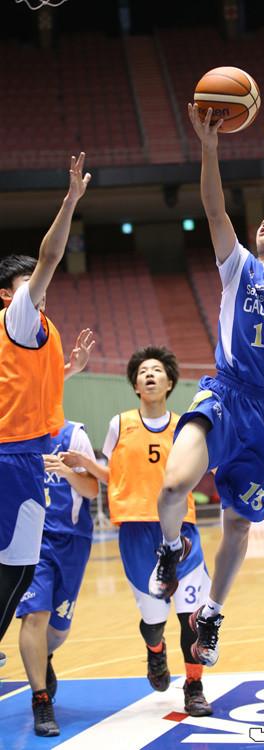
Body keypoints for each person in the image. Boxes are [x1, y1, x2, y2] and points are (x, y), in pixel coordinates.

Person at [149, 101, 264, 668]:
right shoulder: (237, 266)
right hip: (223, 393)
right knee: (173, 487)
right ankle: (170, 550)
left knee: (238, 527)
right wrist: (210, 147)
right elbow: (214, 208)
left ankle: (213, 615)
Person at [63, 346, 213, 717]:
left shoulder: (186, 427)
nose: (149, 375)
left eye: (156, 370)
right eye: (143, 371)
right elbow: (115, 476)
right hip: (136, 533)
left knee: (191, 616)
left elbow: (211, 468)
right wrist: (86, 464)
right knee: (154, 621)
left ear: (170, 382)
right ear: (134, 385)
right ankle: (155, 650)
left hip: (181, 530)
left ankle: (194, 686)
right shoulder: (120, 424)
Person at [0, 153, 91, 670]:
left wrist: (67, 372)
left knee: (16, 569)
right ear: (7, 295)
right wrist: (71, 201)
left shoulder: (34, 333)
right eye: (28, 281)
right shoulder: (19, 315)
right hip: (13, 456)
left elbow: (22, 391)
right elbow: (51, 255)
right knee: (16, 570)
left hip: (20, 453)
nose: (41, 284)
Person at [16, 420, 98, 737]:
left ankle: (44, 655)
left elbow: (92, 490)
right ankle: (41, 700)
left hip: (72, 540)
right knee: (34, 615)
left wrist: (66, 472)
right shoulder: (15, 434)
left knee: (58, 630)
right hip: (30, 538)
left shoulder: (73, 435)